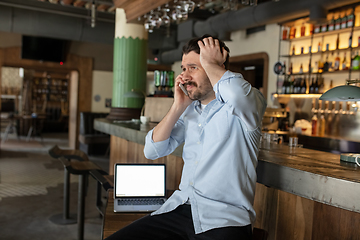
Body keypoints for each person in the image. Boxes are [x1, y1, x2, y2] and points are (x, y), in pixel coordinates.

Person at [105, 35, 267, 240]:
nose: (184, 76)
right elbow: (152, 150)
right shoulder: (190, 112)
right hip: (180, 209)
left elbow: (236, 95)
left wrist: (210, 63)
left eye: (193, 67)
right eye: (183, 68)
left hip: (225, 220)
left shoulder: (248, 105)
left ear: (214, 66)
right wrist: (178, 106)